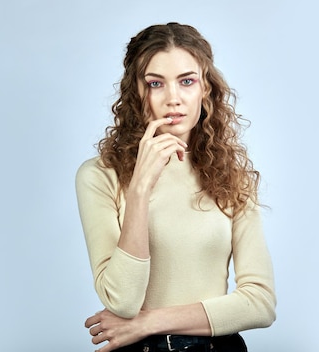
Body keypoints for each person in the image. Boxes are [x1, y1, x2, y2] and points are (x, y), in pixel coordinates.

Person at [75, 22, 276, 352]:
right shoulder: (99, 176)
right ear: (137, 92)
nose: (173, 99)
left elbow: (260, 303)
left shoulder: (231, 176)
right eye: (156, 83)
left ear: (205, 88)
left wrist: (149, 322)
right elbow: (122, 301)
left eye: (187, 81)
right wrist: (139, 189)